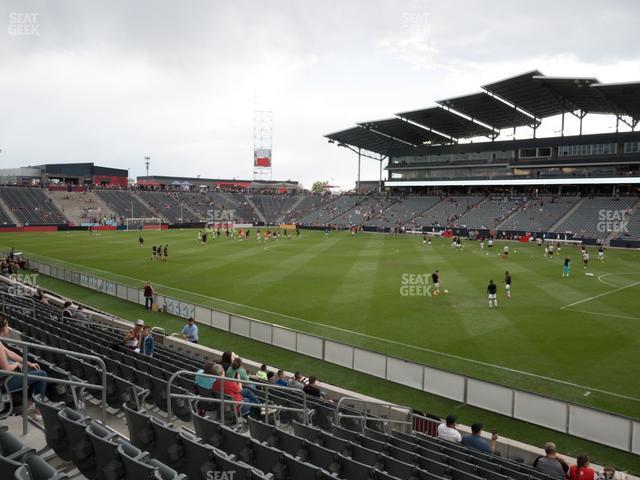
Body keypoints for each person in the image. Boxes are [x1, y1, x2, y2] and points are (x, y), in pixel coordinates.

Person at [0, 316, 48, 403]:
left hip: (4, 378)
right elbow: (6, 369)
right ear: (3, 328)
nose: (8, 328)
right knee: (42, 375)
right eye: (7, 326)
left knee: (33, 368)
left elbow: (10, 353)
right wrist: (17, 365)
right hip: (4, 382)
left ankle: (27, 401)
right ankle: (39, 411)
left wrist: (28, 363)